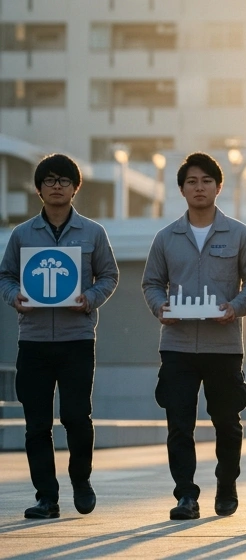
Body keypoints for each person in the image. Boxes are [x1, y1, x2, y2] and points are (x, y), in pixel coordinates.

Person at [141, 152, 246, 520]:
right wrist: (160, 307)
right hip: (177, 345)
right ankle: (185, 496)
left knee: (227, 422)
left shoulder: (239, 234)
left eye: (206, 181)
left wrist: (235, 307)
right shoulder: (166, 237)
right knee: (179, 424)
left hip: (223, 346)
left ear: (218, 187)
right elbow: (151, 283)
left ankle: (226, 485)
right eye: (191, 182)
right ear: (181, 189)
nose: (199, 187)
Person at [0, 154, 118, 519]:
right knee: (37, 424)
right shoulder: (21, 234)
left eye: (64, 180)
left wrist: (89, 299)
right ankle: (46, 498)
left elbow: (109, 276)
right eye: (49, 180)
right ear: (38, 189)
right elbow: (5, 276)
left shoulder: (93, 233)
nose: (56, 186)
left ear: (75, 187)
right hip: (33, 340)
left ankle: (81, 481)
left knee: (76, 416)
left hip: (77, 339)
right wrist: (14, 296)